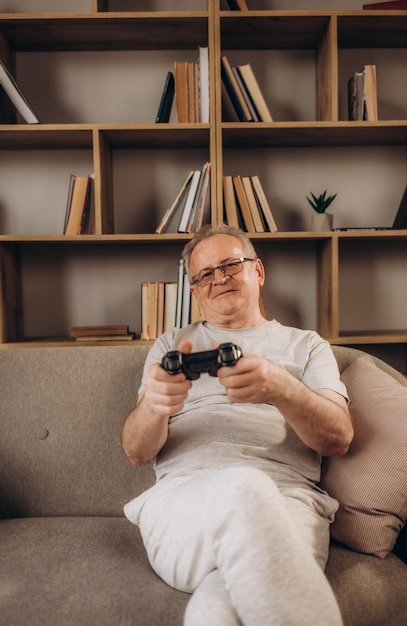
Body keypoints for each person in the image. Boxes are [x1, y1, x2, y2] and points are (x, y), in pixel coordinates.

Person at [121, 224, 353, 626]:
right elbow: (137, 453)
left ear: (258, 271)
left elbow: (339, 438)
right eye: (205, 274)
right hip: (183, 502)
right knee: (244, 486)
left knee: (218, 607)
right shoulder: (170, 345)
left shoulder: (308, 345)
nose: (219, 279)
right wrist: (155, 406)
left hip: (288, 502)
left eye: (230, 265)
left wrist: (282, 388)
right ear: (193, 290)